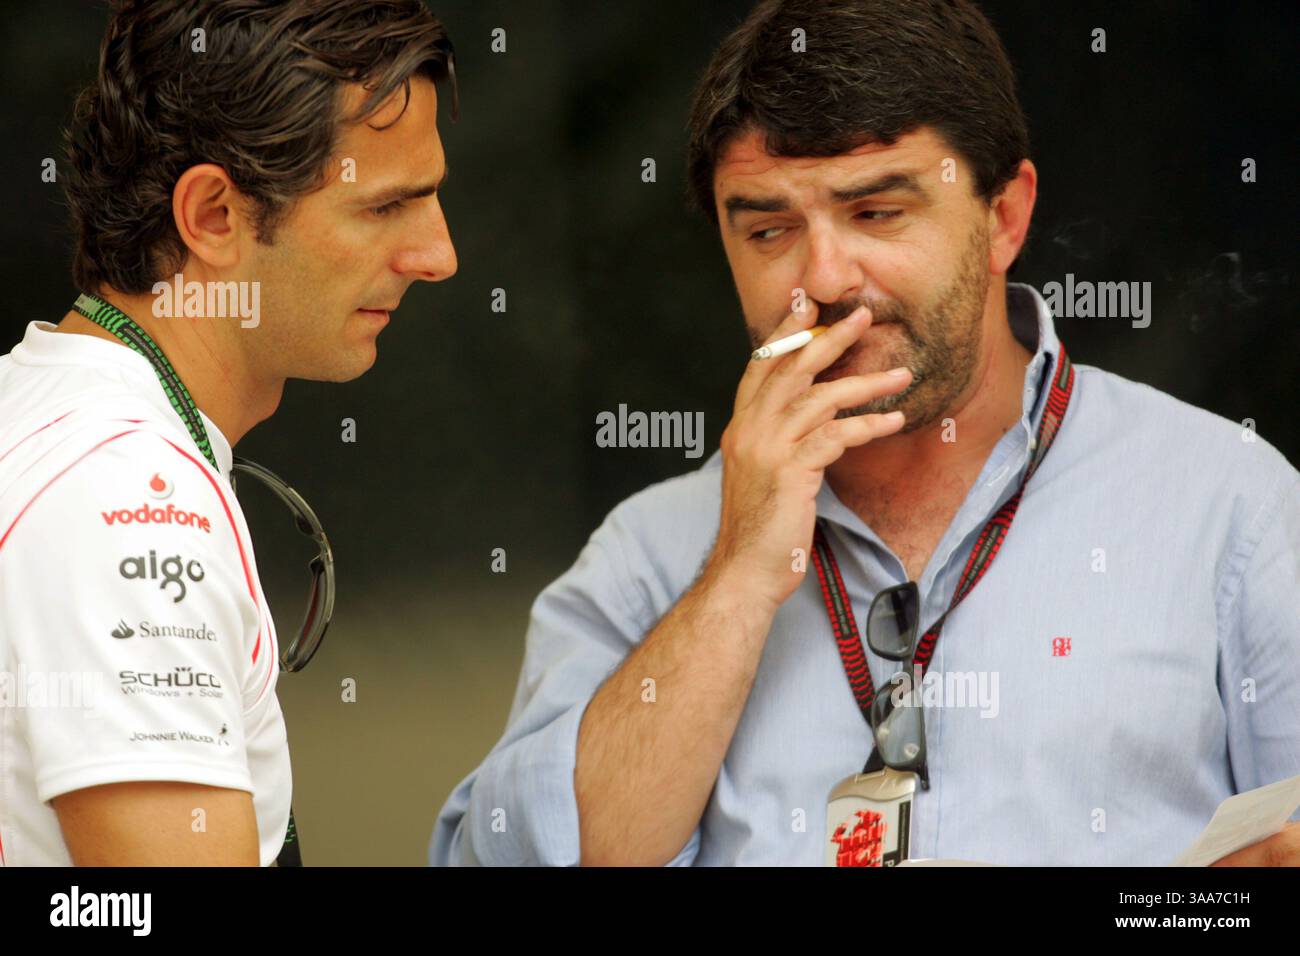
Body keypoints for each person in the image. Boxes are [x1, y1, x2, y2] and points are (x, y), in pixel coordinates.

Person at [430, 0, 1299, 866]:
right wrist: (737, 575)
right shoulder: (650, 556)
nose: (825, 279)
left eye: (878, 213)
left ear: (1004, 217)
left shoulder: (1231, 508)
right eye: (769, 229)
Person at [0, 0, 458, 866]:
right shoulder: (120, 496)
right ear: (212, 215)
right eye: (387, 206)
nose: (439, 255)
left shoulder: (62, 423)